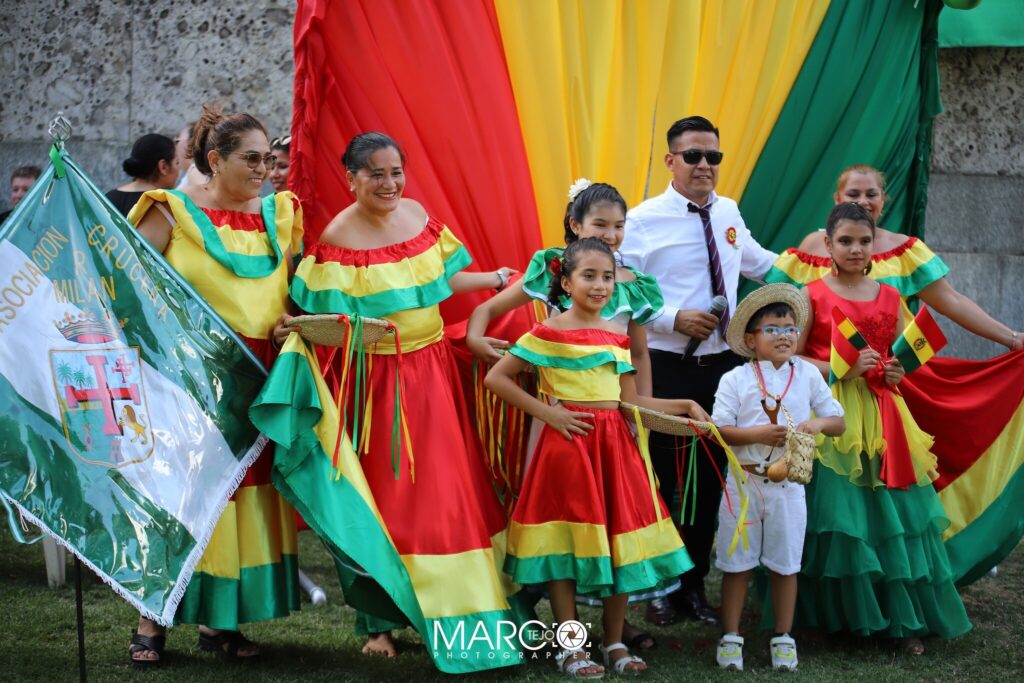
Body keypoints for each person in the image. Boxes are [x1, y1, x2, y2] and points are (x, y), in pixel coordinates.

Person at [281, 131, 520, 661]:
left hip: (433, 373)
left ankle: (466, 608)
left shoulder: (416, 213)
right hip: (379, 389)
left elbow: (439, 279)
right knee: (390, 501)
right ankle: (379, 624)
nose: (390, 183)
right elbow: (323, 317)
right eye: (377, 174)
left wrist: (495, 279)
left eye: (396, 172)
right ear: (352, 178)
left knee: (450, 493)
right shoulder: (337, 238)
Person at [766, 164, 1024, 584]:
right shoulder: (812, 248)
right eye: (854, 192)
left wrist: (1012, 338)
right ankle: (823, 587)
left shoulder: (903, 249)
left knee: (898, 488)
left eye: (872, 194)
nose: (863, 201)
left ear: (885, 199)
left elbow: (952, 302)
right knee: (833, 495)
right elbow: (783, 314)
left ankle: (904, 572)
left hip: (893, 382)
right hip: (826, 389)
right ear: (836, 200)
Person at [125, 104, 302, 666]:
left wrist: (289, 320)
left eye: (268, 160)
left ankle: (219, 623)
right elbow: (125, 284)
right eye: (250, 159)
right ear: (214, 159)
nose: (263, 169)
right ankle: (149, 625)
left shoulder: (282, 215)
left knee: (242, 500)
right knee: (185, 496)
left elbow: (289, 288)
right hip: (193, 378)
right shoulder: (171, 211)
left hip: (259, 377)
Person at [485, 237, 707, 677]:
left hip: (614, 452)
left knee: (619, 546)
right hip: (567, 452)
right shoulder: (547, 332)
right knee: (565, 549)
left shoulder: (617, 337)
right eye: (589, 276)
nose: (600, 285)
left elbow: (630, 404)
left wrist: (682, 404)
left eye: (607, 277)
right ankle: (571, 647)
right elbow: (498, 378)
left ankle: (614, 642)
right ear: (566, 282)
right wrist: (549, 414)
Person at [791, 202, 971, 655]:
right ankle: (823, 616)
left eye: (864, 241)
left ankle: (901, 619)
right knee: (836, 514)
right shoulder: (811, 295)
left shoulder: (892, 297)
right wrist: (839, 368)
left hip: (886, 413)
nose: (856, 249)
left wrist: (894, 371)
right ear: (827, 245)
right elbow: (788, 357)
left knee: (894, 516)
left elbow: (900, 354)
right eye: (846, 241)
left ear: (876, 246)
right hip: (834, 412)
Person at [619, 115, 777, 626]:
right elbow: (618, 292)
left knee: (710, 480)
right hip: (665, 365)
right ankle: (659, 590)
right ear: (671, 161)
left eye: (713, 156)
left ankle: (692, 589)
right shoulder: (641, 220)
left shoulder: (729, 210)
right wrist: (671, 317)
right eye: (693, 156)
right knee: (666, 478)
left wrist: (822, 261)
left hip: (726, 368)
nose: (704, 165)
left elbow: (761, 264)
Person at [711, 284, 845, 672]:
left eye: (789, 328)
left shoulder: (806, 375)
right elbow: (719, 431)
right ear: (752, 340)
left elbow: (837, 421)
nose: (784, 335)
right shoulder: (735, 380)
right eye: (772, 329)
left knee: (786, 564)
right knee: (737, 563)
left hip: (789, 488)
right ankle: (731, 637)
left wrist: (815, 423)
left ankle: (784, 637)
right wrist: (756, 435)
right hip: (743, 484)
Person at [467, 179, 661, 394]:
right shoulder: (555, 269)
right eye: (600, 224)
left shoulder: (632, 285)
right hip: (558, 404)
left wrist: (642, 417)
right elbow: (487, 309)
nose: (610, 235)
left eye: (619, 226)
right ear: (575, 225)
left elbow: (639, 354)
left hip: (611, 406)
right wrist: (474, 339)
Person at [105, 133, 179, 216]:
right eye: (177, 163)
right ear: (163, 167)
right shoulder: (164, 206)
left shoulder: (108, 199)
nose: (178, 171)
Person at [174, 122, 209, 189]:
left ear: (191, 143)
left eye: (177, 141)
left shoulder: (196, 171)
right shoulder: (193, 171)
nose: (175, 147)